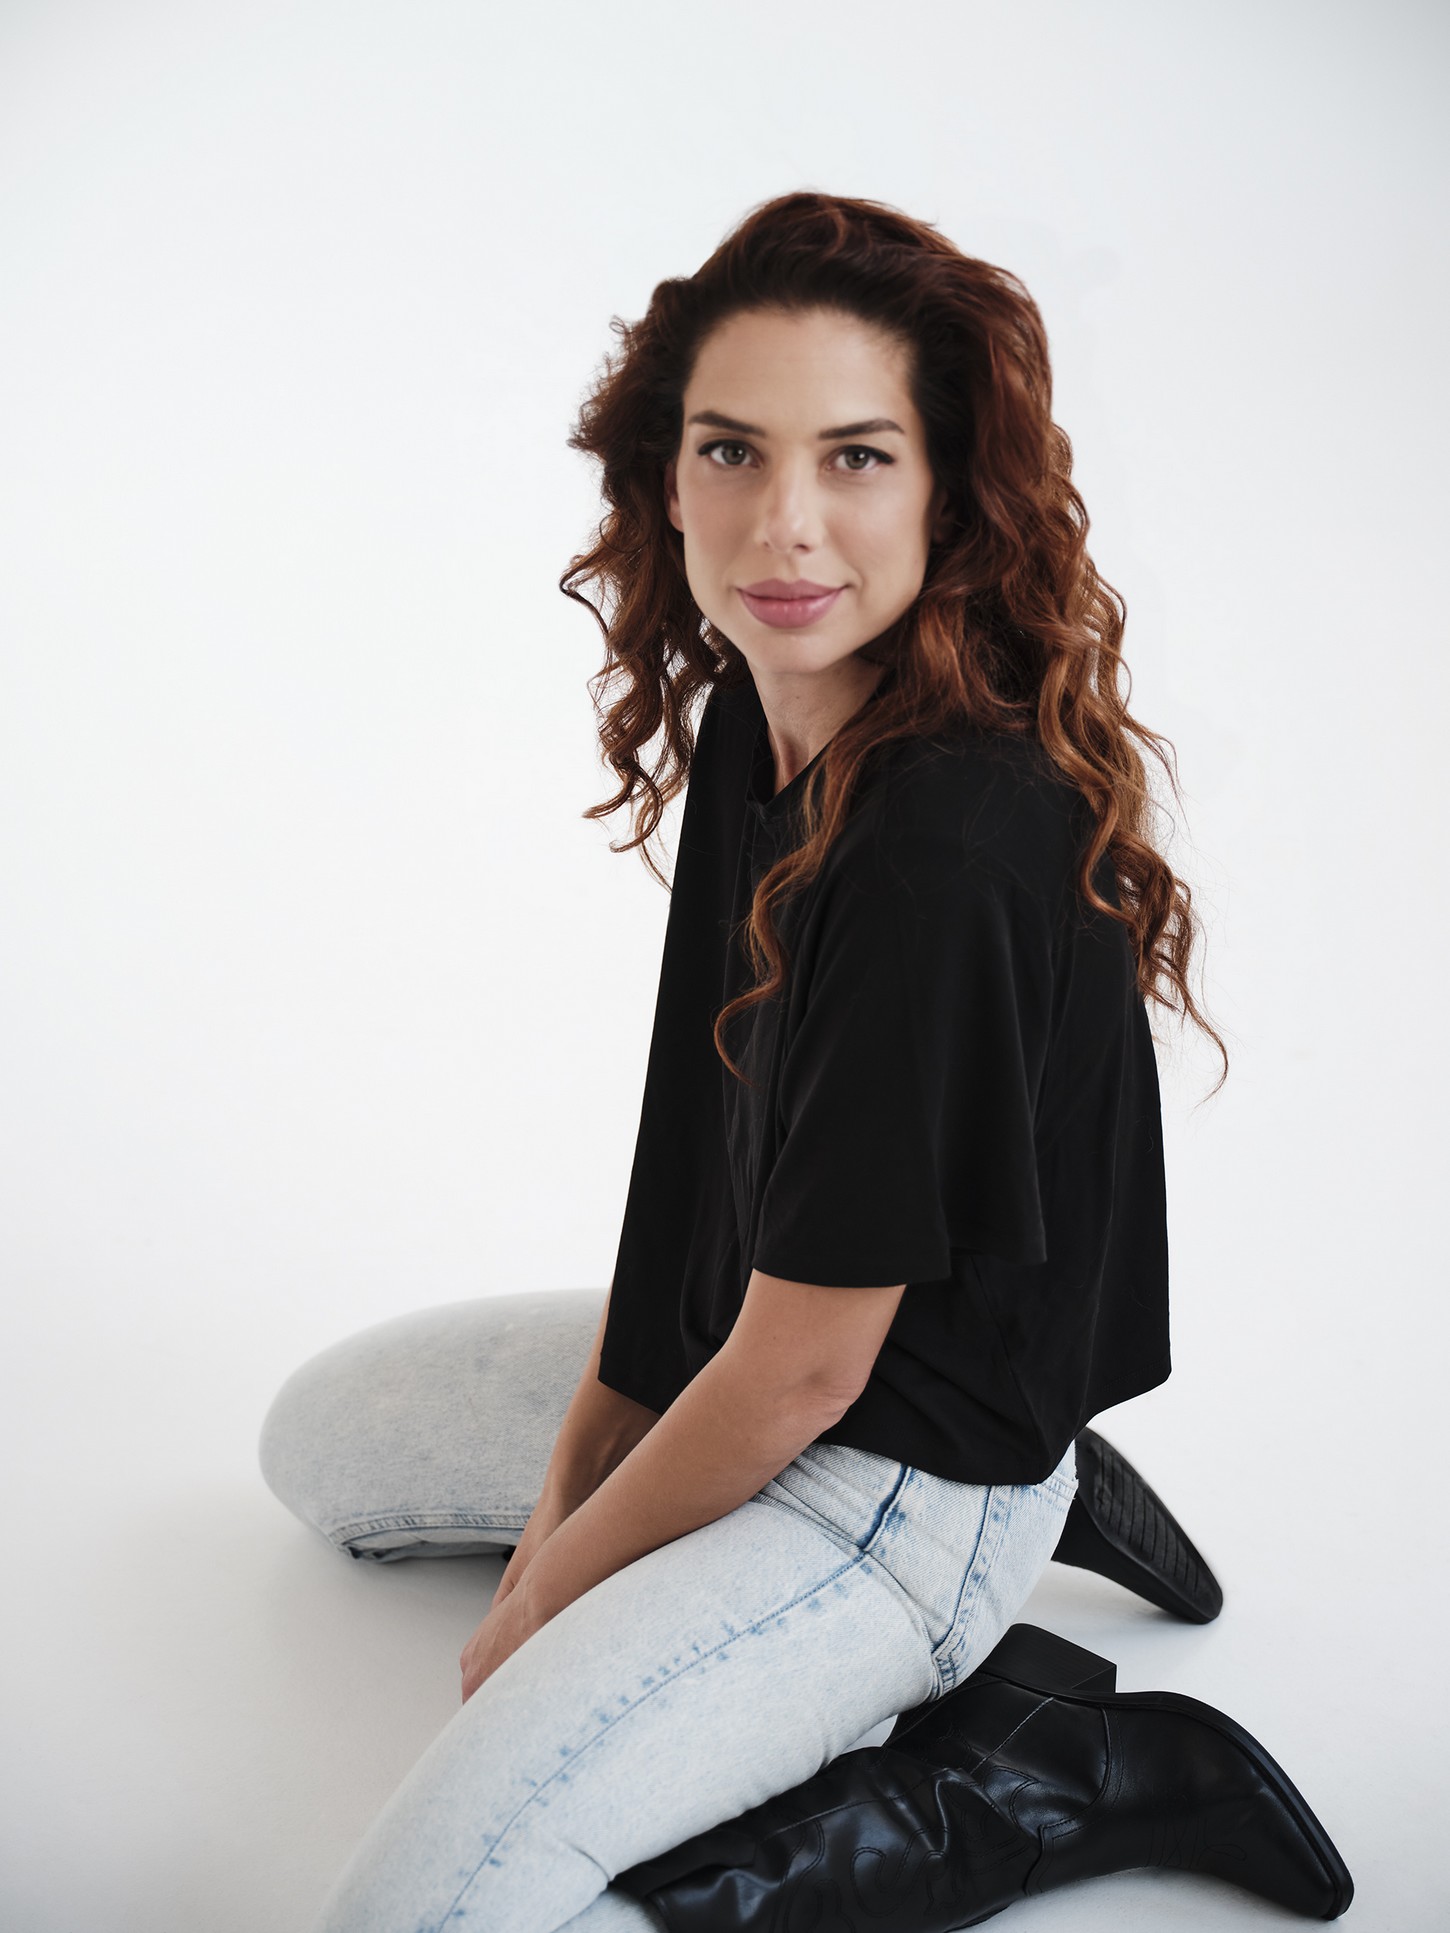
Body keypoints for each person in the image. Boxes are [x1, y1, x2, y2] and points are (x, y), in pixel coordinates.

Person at [258, 191, 1352, 1930]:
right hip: (781, 1343)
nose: (783, 523)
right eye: (731, 451)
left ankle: (1042, 1767)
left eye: (854, 457)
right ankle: (1040, 1461)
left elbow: (795, 1381)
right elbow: (686, 1166)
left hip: (896, 1484)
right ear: (664, 478)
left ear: (945, 492)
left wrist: (552, 1595)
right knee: (320, 1447)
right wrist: (570, 1490)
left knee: (432, 1910)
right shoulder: (760, 718)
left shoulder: (943, 845)